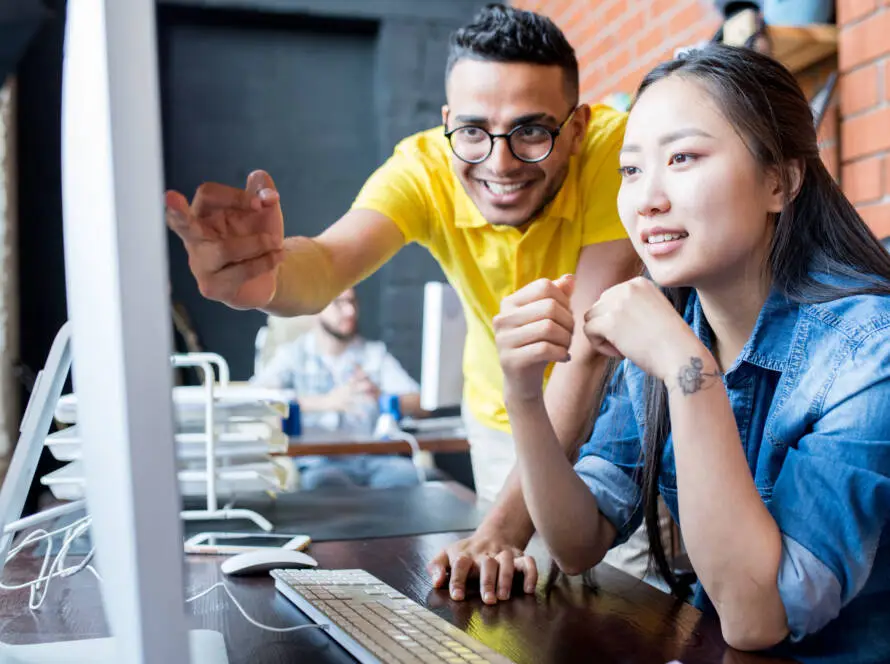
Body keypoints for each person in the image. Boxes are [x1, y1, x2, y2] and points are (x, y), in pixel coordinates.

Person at [165, 4, 640, 601]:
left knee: (631, 605)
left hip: (614, 425)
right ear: (448, 122)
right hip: (502, 425)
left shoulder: (617, 154)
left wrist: (498, 529)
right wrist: (260, 277)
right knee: (523, 612)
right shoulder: (425, 165)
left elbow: (586, 355)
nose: (499, 163)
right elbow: (330, 262)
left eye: (532, 131)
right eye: (472, 131)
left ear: (575, 127)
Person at [494, 44, 890, 661]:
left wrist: (690, 374)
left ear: (779, 182)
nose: (646, 199)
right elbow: (578, 541)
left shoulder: (871, 349)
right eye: (630, 170)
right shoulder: (675, 325)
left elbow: (760, 617)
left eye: (682, 157)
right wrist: (522, 392)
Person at [252, 288, 423, 490]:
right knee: (329, 487)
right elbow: (256, 399)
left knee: (407, 479)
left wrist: (380, 396)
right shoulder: (292, 355)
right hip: (319, 461)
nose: (350, 311)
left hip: (375, 458)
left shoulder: (373, 355)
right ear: (315, 310)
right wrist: (324, 402)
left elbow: (422, 402)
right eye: (338, 303)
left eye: (352, 302)